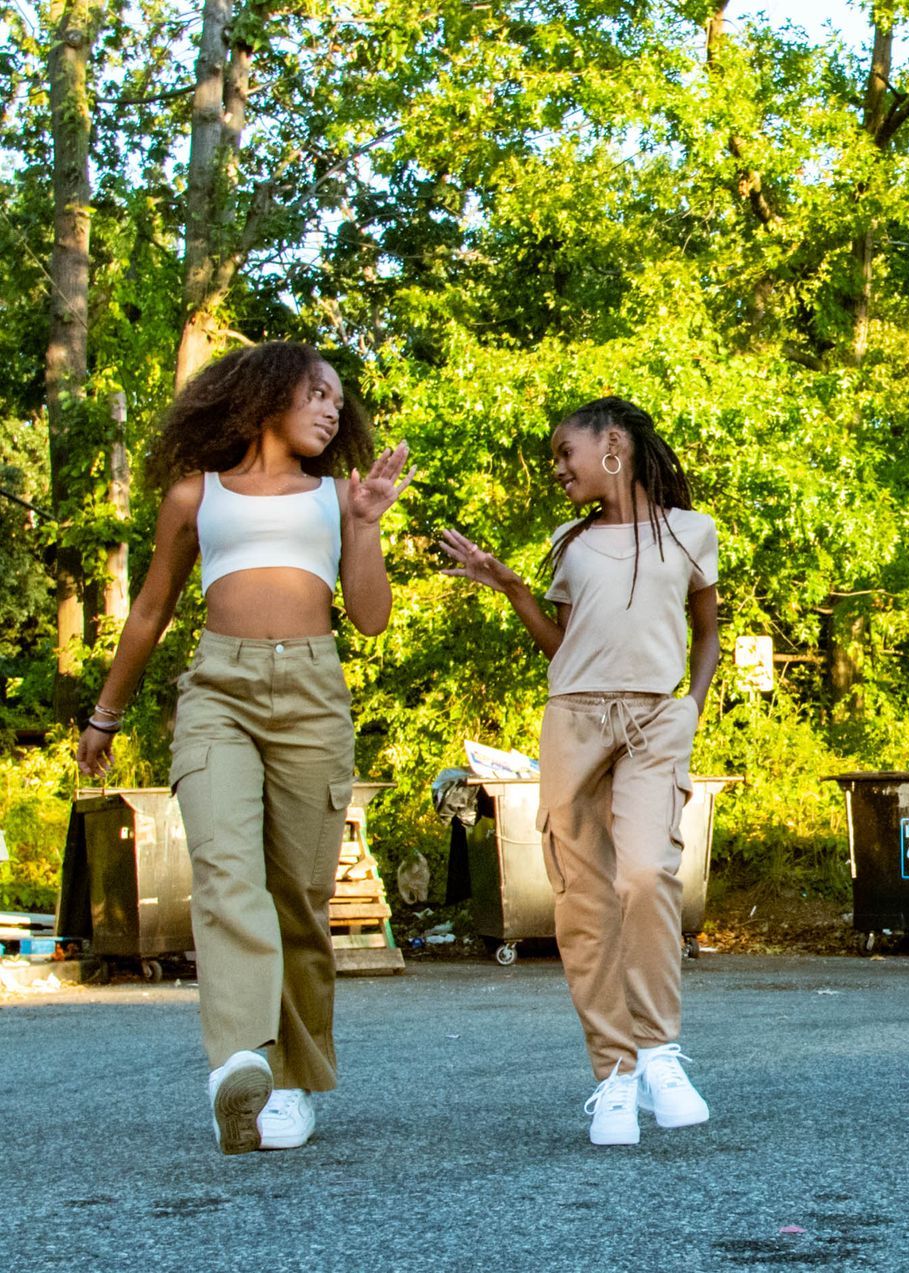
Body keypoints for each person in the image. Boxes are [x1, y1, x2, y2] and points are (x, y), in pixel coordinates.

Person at [77, 341, 412, 1154]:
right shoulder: (196, 495)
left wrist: (364, 524)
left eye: (339, 399)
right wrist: (106, 714)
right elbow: (151, 612)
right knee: (226, 870)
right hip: (217, 693)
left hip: (312, 694)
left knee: (297, 894)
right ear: (266, 397)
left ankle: (293, 1080)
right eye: (316, 392)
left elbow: (369, 617)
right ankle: (239, 1059)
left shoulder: (340, 496)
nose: (333, 409)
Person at [438, 396, 720, 1145]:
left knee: (646, 873)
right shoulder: (570, 541)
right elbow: (562, 649)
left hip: (655, 721)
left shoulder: (692, 533)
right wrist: (514, 589)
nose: (559, 469)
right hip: (575, 718)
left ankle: (660, 1050)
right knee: (584, 901)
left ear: (615, 446)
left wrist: (691, 703)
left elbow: (709, 628)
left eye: (568, 452)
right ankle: (616, 1075)